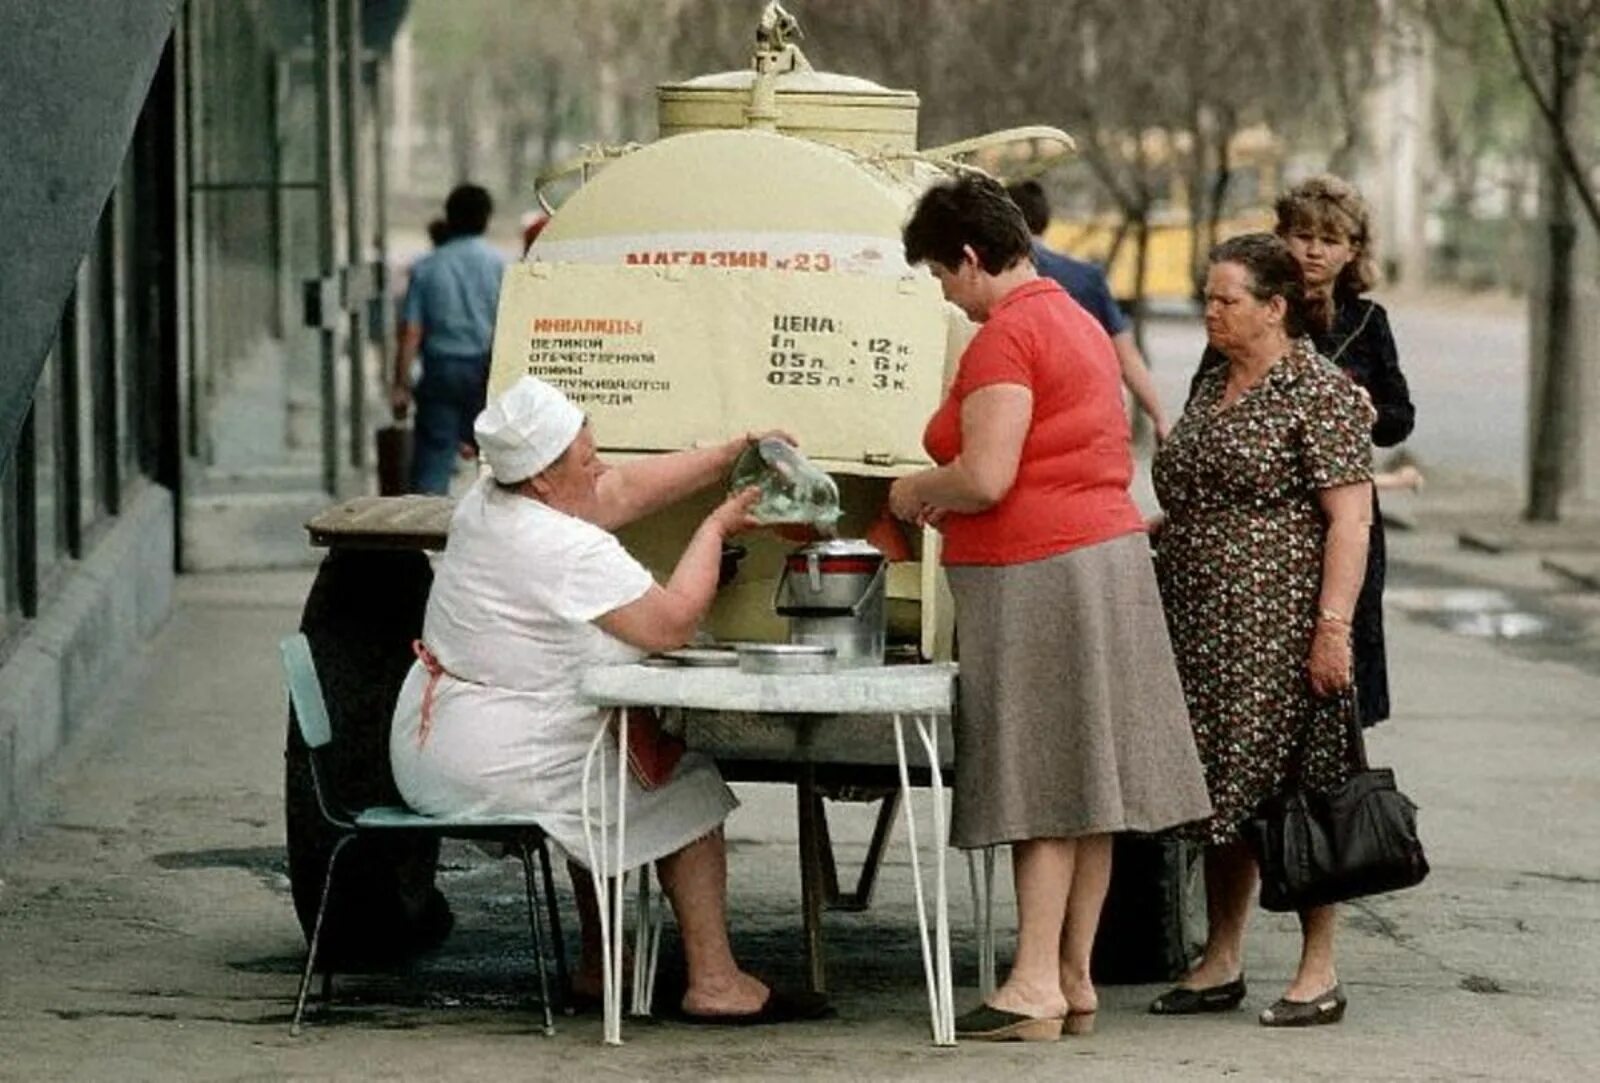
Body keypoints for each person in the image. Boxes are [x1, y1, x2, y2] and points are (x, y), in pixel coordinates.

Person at [389, 375, 827, 1025]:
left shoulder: (488, 502)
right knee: (686, 783)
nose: (601, 468)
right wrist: (715, 526)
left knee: (600, 780)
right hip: (492, 757)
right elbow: (671, 623)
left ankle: (603, 965)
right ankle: (716, 980)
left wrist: (733, 451)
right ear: (542, 477)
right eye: (586, 459)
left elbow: (617, 491)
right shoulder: (561, 545)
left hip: (434, 741)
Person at [887, 174, 1211, 1042]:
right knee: (1087, 780)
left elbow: (988, 475)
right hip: (1104, 556)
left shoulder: (1007, 336)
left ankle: (1030, 980)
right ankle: (1073, 974)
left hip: (1037, 569)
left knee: (1037, 778)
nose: (945, 296)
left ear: (968, 256)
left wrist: (917, 488)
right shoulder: (1074, 316)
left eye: (940, 277)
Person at [1150, 233, 1373, 1027]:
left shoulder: (1321, 391)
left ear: (1275, 308)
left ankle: (1319, 968)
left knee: (1297, 789)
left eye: (1225, 299)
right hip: (1197, 620)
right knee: (1219, 791)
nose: (1209, 311)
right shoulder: (1213, 382)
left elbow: (1352, 520)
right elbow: (1191, 491)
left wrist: (1332, 630)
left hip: (1278, 623)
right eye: (1207, 298)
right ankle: (1222, 954)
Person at [1188, 175, 1414, 725]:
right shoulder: (1251, 310)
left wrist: (1366, 411)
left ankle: (1333, 790)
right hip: (1257, 521)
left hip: (1341, 509)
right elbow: (1202, 400)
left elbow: (1399, 419)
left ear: (1352, 251)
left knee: (1336, 672)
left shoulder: (1368, 322)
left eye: (1329, 240)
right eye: (1303, 235)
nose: (1314, 250)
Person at [1005, 179, 1171, 440]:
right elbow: (1127, 358)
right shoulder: (1086, 277)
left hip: (1016, 416)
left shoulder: (989, 275)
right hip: (1082, 421)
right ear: (1045, 220)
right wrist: (1159, 417)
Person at [390, 184, 507, 494]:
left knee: (433, 461)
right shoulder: (500, 266)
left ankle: (427, 531)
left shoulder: (427, 267)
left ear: (450, 217)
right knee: (497, 462)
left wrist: (401, 385)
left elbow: (411, 332)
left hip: (440, 371)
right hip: (486, 371)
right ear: (486, 218)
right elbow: (507, 327)